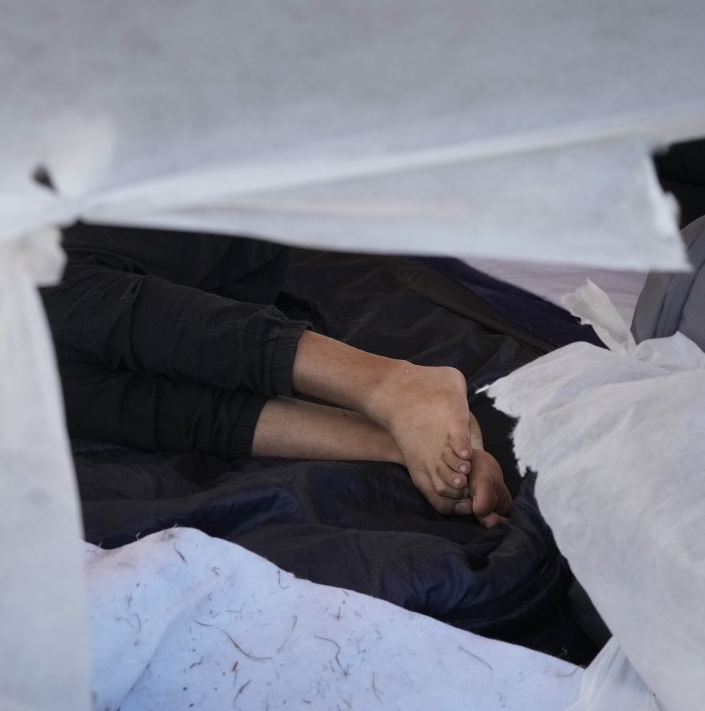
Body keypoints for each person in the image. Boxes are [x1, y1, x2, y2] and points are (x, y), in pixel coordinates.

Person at [41, 224, 514, 527]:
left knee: (35, 285)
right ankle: (390, 440)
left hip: (191, 212)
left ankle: (389, 384)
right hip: (164, 295)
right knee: (27, 373)